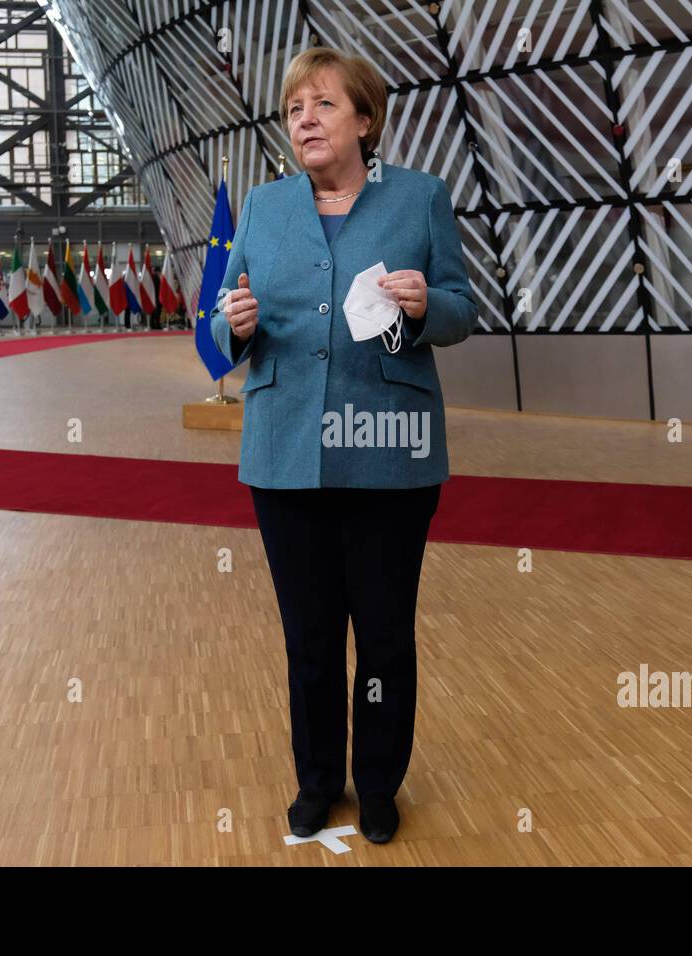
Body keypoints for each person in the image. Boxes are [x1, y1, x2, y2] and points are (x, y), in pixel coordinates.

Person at [210, 47, 477, 844]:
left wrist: (428, 302)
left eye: (323, 105)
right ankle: (319, 781)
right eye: (295, 108)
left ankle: (380, 784)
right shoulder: (263, 208)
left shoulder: (420, 198)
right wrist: (235, 326)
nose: (305, 121)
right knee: (313, 637)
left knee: (386, 634)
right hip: (286, 451)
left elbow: (462, 311)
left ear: (365, 120)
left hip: (390, 453)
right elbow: (225, 325)